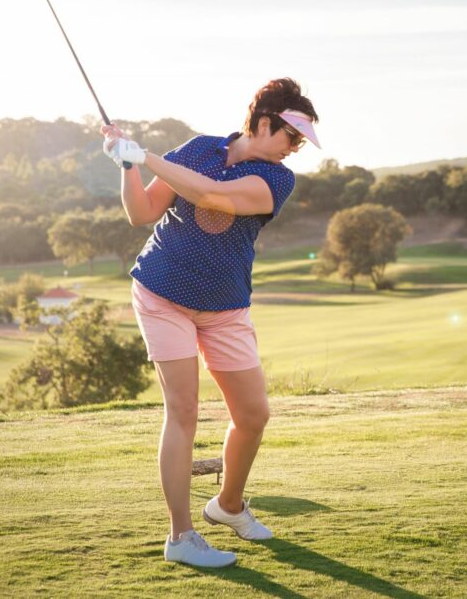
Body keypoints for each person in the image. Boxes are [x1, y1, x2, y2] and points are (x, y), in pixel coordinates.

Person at [101, 78, 320, 568]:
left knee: (254, 415)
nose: (293, 150)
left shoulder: (277, 180)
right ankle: (181, 537)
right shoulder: (199, 148)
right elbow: (141, 212)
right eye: (291, 138)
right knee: (183, 411)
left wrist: (147, 156)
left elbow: (213, 198)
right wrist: (127, 165)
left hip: (225, 306)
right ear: (264, 125)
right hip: (163, 295)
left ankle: (227, 505)